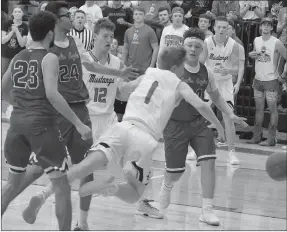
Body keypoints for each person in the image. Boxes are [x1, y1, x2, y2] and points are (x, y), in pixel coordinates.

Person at [24, 46, 246, 226]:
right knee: (133, 194)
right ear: (177, 66)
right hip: (145, 139)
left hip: (122, 128)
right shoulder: (179, 83)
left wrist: (120, 80)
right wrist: (218, 124)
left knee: (80, 168)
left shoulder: (148, 74)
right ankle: (108, 188)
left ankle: (43, 195)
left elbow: (122, 91)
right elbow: (201, 105)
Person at [13, 2, 138, 231]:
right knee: (54, 168)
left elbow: (100, 73)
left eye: (111, 36)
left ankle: (82, 222)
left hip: (92, 115)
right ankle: (37, 196)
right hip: (68, 114)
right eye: (105, 36)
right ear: (56, 21)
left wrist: (123, 76)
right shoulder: (44, 50)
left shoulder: (77, 43)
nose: (73, 18)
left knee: (86, 170)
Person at [137, 28, 248, 224]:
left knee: (209, 161)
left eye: (198, 46)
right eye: (190, 45)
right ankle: (167, 186)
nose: (194, 49)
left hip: (198, 123)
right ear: (183, 46)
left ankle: (207, 210)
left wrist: (230, 114)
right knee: (176, 171)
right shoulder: (171, 69)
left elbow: (215, 97)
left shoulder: (206, 72)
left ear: (202, 48)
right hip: (174, 125)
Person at [1, 11, 92, 231]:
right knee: (61, 187)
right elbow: (52, 94)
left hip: (16, 126)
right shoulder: (49, 57)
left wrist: (22, 104)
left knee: (13, 183)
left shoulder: (18, 56)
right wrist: (78, 124)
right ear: (50, 33)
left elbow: (2, 90)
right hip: (42, 126)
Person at [200, 16, 240, 165]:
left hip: (225, 84)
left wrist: (227, 70)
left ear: (228, 28)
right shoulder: (207, 42)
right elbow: (201, 64)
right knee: (200, 117)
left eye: (225, 27)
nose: (222, 30)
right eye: (219, 27)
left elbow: (236, 70)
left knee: (229, 117)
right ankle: (194, 150)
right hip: (209, 83)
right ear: (214, 28)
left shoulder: (234, 45)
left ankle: (231, 153)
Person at [247, 17, 287, 146]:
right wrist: (250, 55)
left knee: (272, 109)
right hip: (258, 79)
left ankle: (271, 138)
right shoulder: (256, 40)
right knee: (258, 109)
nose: (265, 27)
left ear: (271, 28)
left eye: (268, 25)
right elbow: (256, 55)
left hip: (271, 79)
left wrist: (284, 74)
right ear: (260, 27)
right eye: (263, 24)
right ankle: (257, 136)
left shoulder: (277, 42)